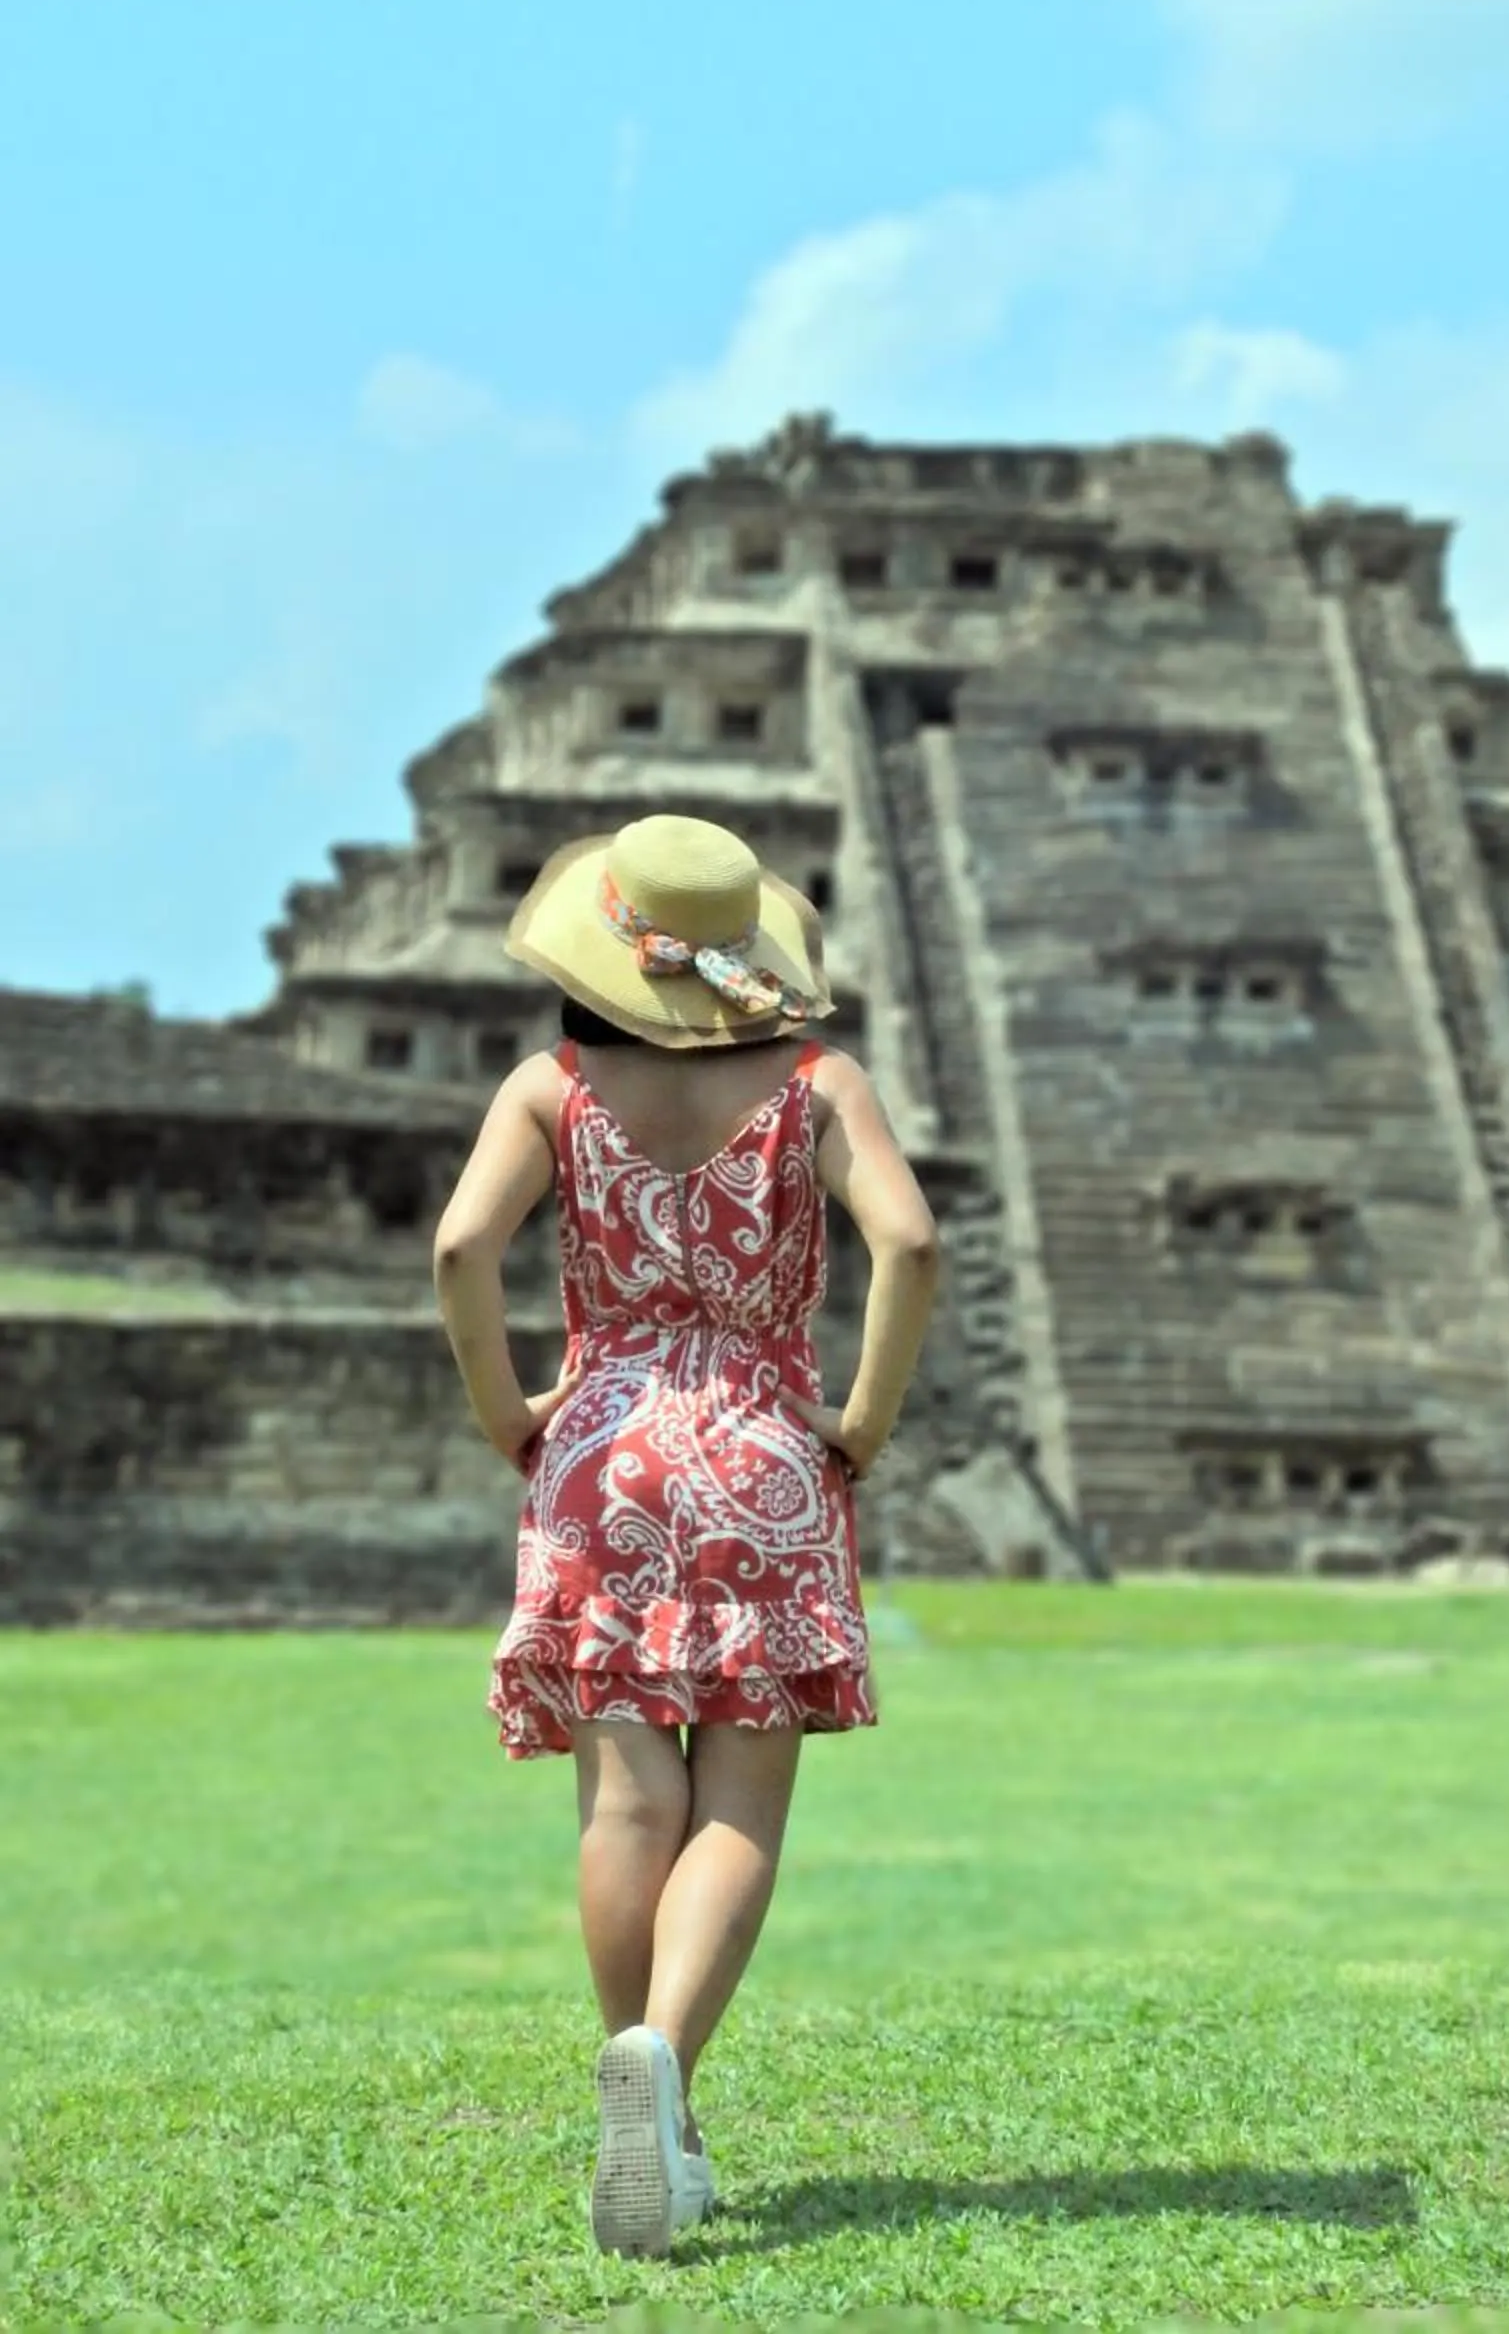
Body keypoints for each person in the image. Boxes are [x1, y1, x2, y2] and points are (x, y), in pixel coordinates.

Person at [431, 812, 941, 2260]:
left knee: (627, 1803)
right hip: (766, 1448)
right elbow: (906, 1241)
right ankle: (663, 2064)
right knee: (739, 1808)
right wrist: (862, 1418)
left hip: (597, 1448)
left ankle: (644, 2080)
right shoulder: (815, 1081)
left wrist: (503, 1410)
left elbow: (463, 1249)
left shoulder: (552, 1087)